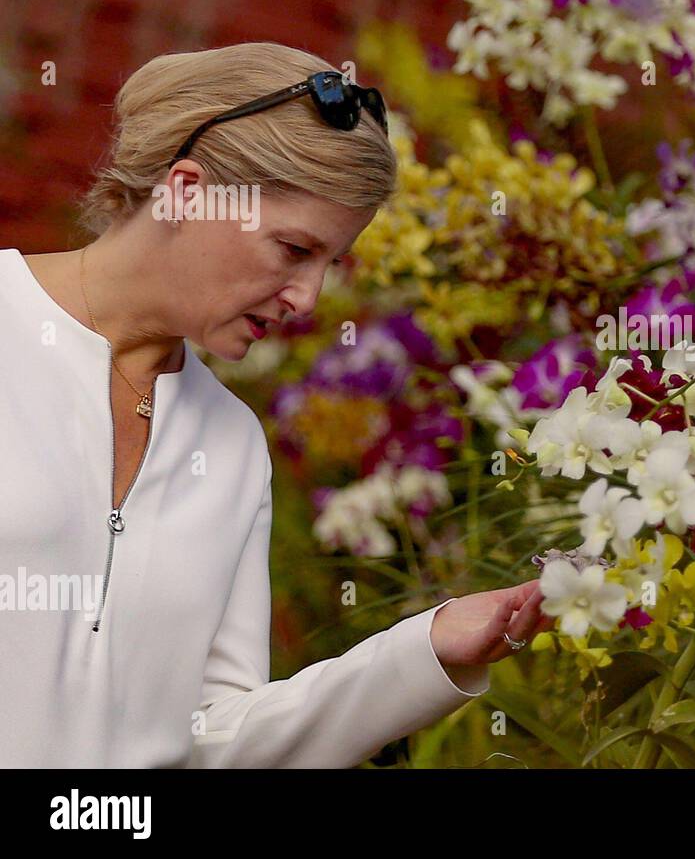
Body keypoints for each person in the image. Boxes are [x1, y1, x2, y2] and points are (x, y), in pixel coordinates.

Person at [0, 42, 550, 768]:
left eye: (331, 264)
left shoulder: (230, 446)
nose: (309, 299)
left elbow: (212, 736)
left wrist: (423, 653)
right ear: (185, 192)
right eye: (293, 249)